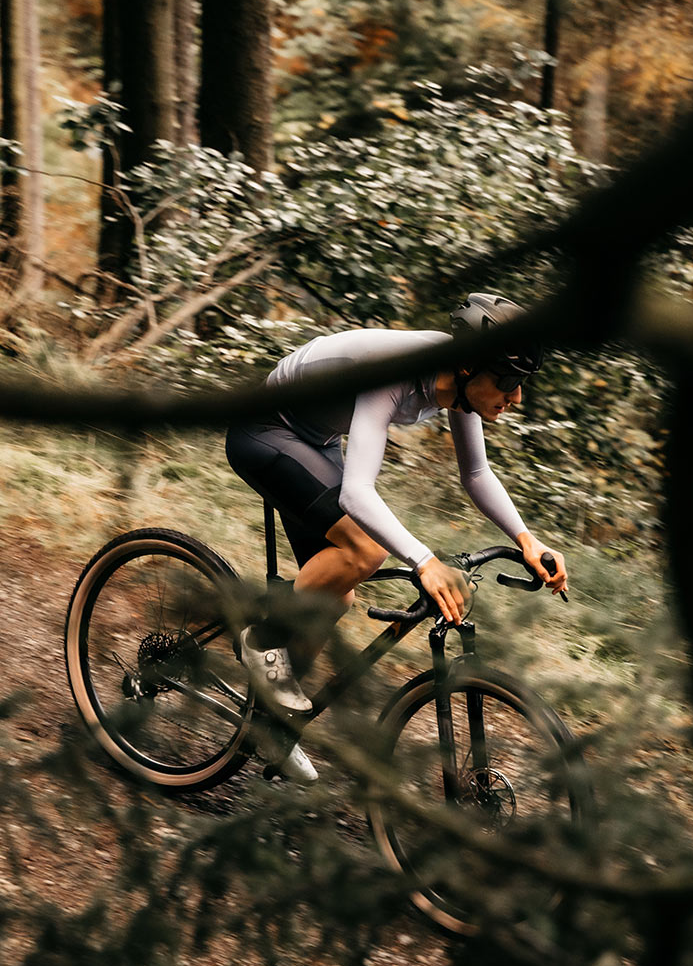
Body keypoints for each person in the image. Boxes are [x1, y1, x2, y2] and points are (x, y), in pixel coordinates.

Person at [224, 292, 569, 781]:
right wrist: (425, 562)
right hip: (265, 430)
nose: (516, 398)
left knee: (336, 595)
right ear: (469, 366)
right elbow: (357, 493)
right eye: (510, 382)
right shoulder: (397, 369)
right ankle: (262, 640)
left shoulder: (460, 385)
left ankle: (272, 724)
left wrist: (527, 539)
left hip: (315, 439)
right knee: (364, 551)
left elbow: (476, 474)